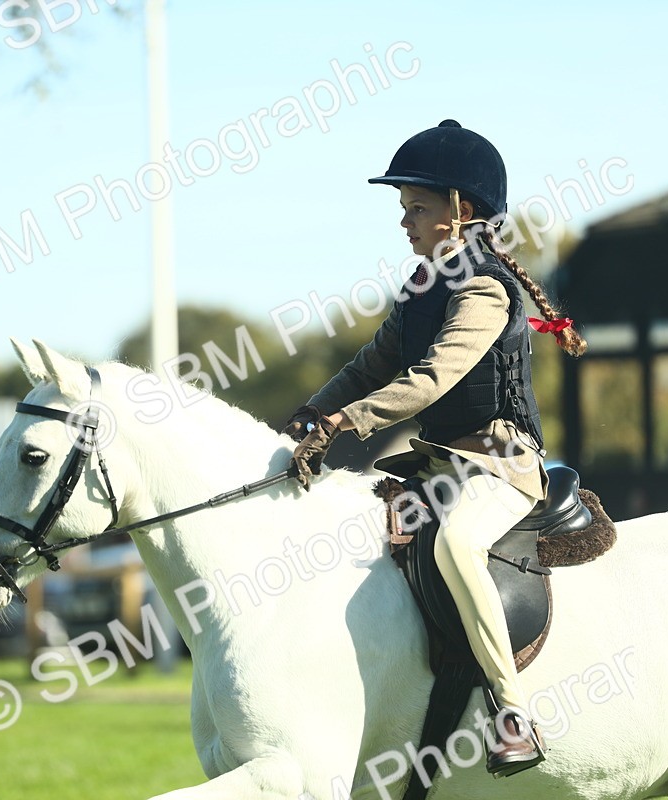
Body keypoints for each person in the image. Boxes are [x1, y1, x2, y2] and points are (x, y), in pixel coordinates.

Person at [281, 119, 587, 778]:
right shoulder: (422, 288)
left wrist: (344, 423)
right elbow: (369, 365)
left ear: (461, 210)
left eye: (416, 208)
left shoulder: (484, 289)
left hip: (500, 465)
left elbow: (431, 379)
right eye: (403, 208)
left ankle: (513, 715)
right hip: (440, 463)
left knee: (457, 543)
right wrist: (308, 414)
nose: (404, 222)